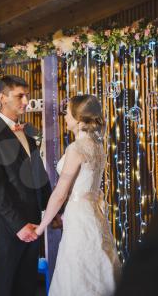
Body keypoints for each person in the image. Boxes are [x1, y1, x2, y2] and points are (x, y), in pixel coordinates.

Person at [35, 94, 121, 296]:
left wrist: (40, 228)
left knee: (78, 269)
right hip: (91, 215)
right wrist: (62, 217)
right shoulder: (98, 146)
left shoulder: (76, 148)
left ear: (79, 118)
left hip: (80, 217)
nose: (64, 116)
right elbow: (84, 189)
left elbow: (60, 194)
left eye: (68, 112)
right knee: (93, 265)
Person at [0, 75, 52, 296]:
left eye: (26, 95)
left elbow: (39, 175)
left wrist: (53, 212)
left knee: (27, 287)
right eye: (20, 96)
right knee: (4, 287)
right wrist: (19, 226)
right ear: (2, 97)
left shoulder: (28, 131)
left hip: (34, 222)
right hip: (7, 227)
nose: (26, 101)